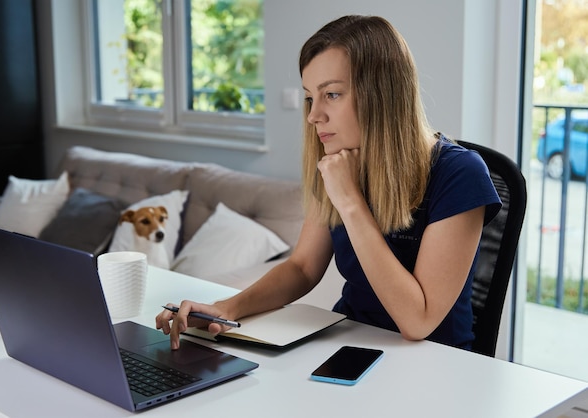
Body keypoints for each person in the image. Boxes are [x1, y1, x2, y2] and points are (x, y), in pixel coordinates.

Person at [156, 15, 501, 350]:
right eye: (310, 97)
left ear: (382, 94)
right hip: (348, 346)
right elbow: (303, 268)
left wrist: (351, 202)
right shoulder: (341, 161)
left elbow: (418, 322)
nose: (313, 115)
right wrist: (228, 308)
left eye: (331, 94)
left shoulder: (460, 174)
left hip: (434, 366)